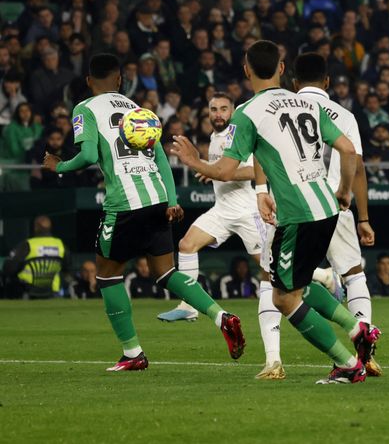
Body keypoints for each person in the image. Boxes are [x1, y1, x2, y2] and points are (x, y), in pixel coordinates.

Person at [171, 40, 380, 384]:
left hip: (297, 214)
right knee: (297, 285)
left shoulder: (248, 113)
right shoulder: (306, 104)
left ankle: (346, 362)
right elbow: (345, 149)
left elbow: (224, 171)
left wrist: (194, 161)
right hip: (326, 207)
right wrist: (342, 191)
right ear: (282, 69)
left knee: (281, 297)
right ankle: (358, 329)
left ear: (246, 70)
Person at [42, 53, 244, 372]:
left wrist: (59, 166)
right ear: (120, 80)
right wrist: (173, 199)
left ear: (89, 81)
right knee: (166, 272)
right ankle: (222, 316)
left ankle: (133, 353)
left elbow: (90, 153)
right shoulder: (138, 110)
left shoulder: (85, 108)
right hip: (156, 198)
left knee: (107, 275)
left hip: (123, 202)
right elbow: (161, 158)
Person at [155, 92, 283, 380]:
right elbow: (221, 170)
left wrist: (210, 169)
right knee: (186, 245)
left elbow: (253, 170)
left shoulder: (240, 132)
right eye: (213, 109)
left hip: (249, 211)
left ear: (233, 110)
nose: (218, 114)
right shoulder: (215, 138)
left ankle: (323, 277)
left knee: (273, 270)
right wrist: (211, 171)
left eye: (224, 109)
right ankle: (189, 305)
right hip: (223, 210)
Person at [294, 52, 382, 377]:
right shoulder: (344, 115)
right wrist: (363, 218)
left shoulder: (284, 111)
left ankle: (345, 356)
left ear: (293, 82)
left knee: (289, 284)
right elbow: (356, 166)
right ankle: (366, 350)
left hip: (299, 206)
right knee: (354, 273)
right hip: (338, 203)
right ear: (327, 81)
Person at [1, 215, 66, 299]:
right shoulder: (60, 245)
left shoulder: (27, 245)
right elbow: (67, 269)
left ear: (36, 227)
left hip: (26, 291)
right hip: (52, 292)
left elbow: (8, 268)